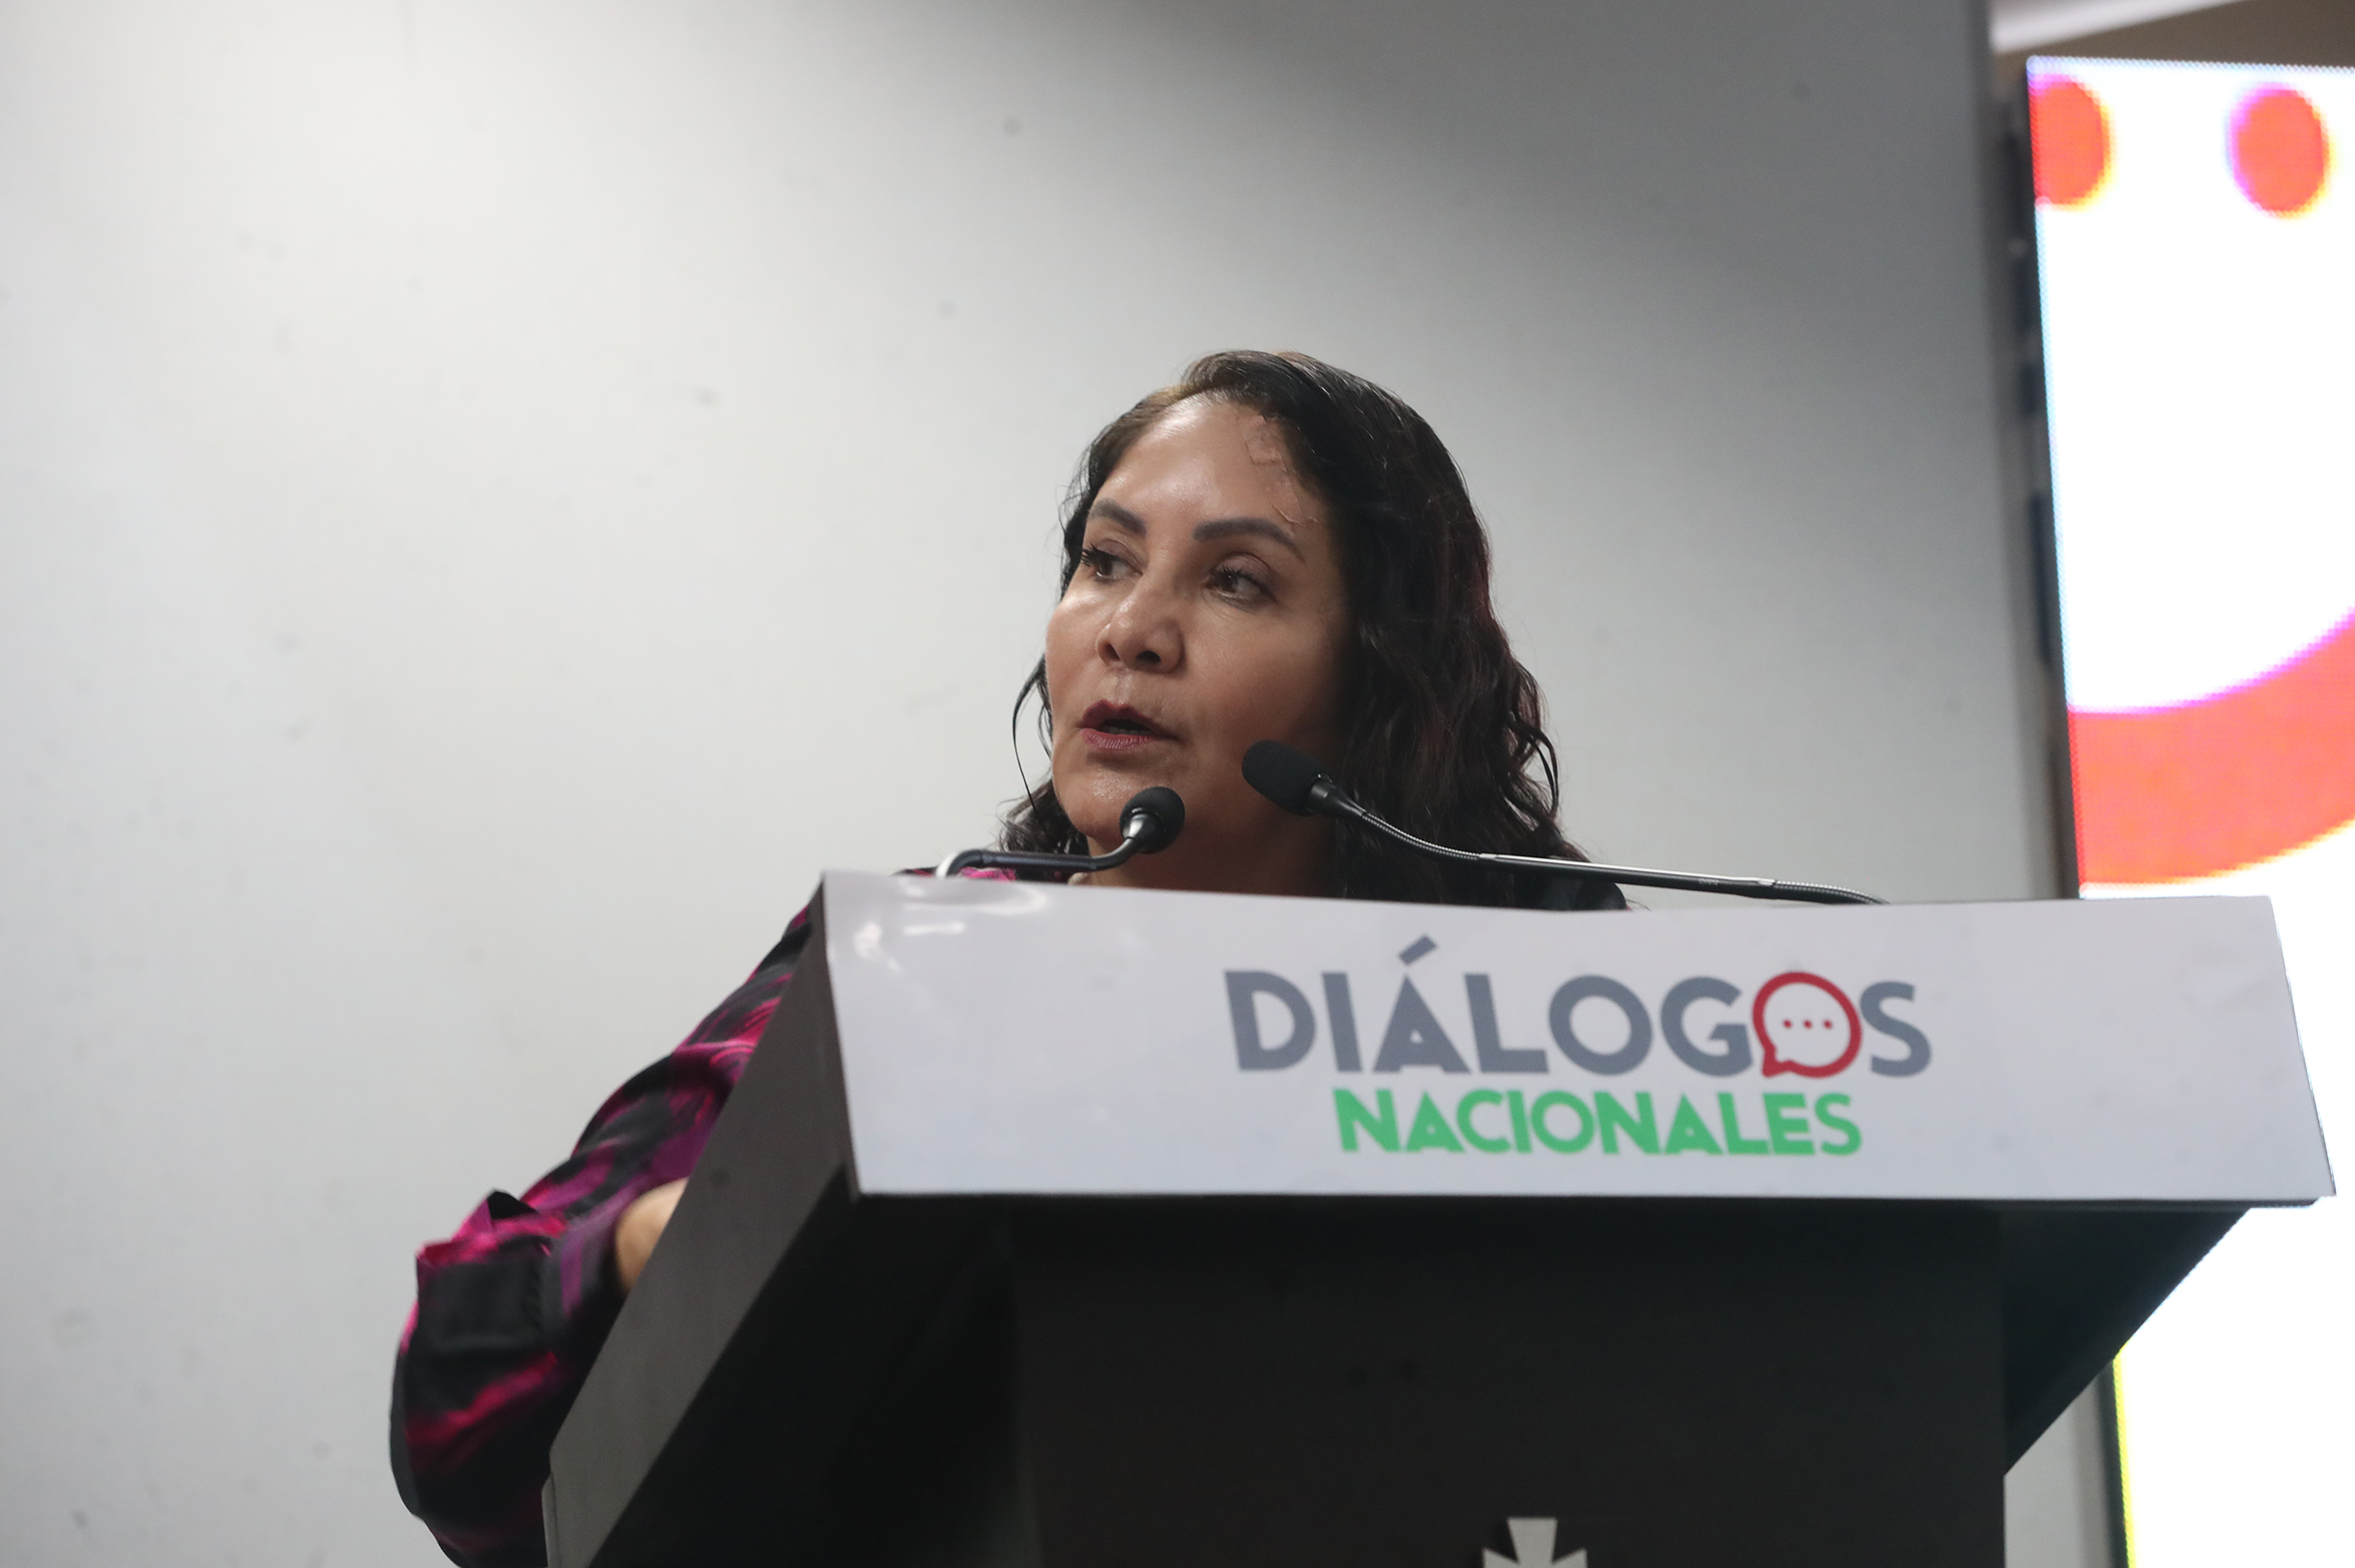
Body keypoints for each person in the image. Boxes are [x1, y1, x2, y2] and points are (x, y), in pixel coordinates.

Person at [389, 350, 1621, 1567]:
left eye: (1236, 582)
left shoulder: (1534, 1003)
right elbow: (458, 1406)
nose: (1131, 631)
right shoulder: (926, 966)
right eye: (1106, 560)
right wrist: (665, 1242)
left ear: (1383, 670)